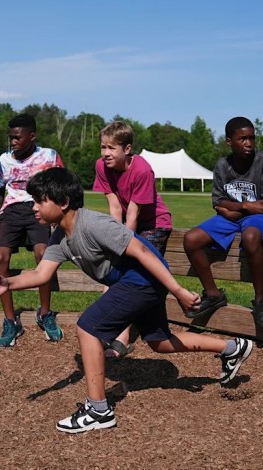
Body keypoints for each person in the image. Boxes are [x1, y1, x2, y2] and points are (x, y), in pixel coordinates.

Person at [0, 167, 253, 434]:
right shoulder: (59, 237)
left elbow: (145, 252)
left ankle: (98, 411)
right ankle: (232, 347)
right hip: (137, 282)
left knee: (88, 327)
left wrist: (178, 290)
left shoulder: (95, 225)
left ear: (63, 202)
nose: (34, 208)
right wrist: (8, 283)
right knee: (159, 342)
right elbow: (42, 273)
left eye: (40, 201)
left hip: (142, 278)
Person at [183, 117, 263, 328]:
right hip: (233, 217)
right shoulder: (222, 165)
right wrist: (245, 206)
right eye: (243, 139)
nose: (249, 143)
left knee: (250, 236)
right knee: (191, 239)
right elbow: (218, 202)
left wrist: (237, 208)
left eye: (252, 138)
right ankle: (213, 294)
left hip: (262, 218)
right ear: (229, 141)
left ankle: (261, 300)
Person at [93, 121, 173, 357]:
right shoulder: (102, 166)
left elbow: (134, 213)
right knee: (117, 268)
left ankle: (122, 336)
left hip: (154, 224)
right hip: (128, 222)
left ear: (127, 149)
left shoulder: (142, 170)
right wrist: (114, 241)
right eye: (103, 147)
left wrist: (124, 246)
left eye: (111, 148)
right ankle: (110, 329)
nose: (105, 153)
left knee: (129, 271)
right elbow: (115, 206)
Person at [0, 113, 64, 347]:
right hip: (12, 210)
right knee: (0, 257)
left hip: (39, 208)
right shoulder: (4, 159)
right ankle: (10, 320)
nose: (13, 141)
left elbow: (61, 183)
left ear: (32, 136)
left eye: (18, 137)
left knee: (43, 254)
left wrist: (57, 216)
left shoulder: (49, 156)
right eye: (11, 137)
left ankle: (45, 313)